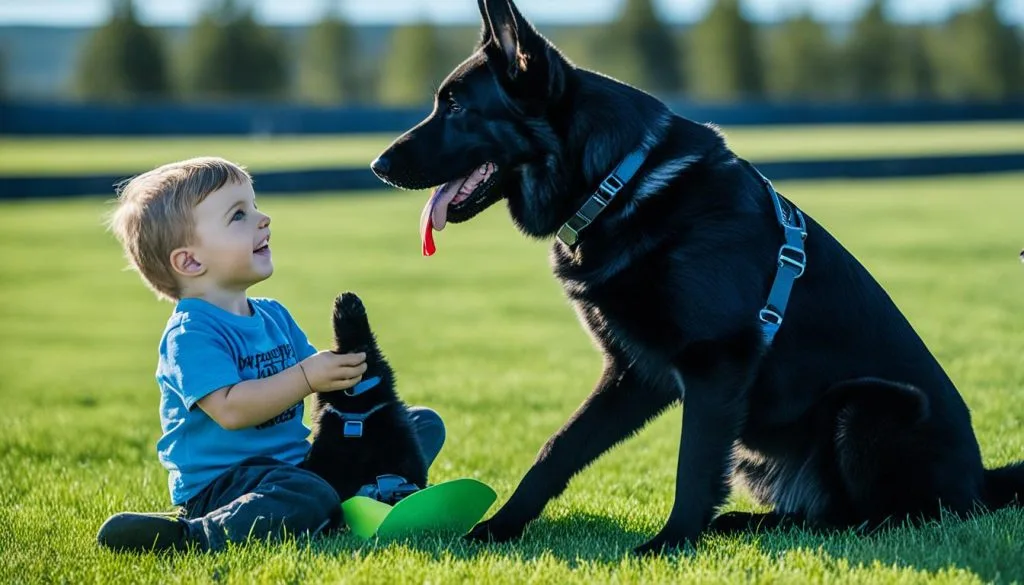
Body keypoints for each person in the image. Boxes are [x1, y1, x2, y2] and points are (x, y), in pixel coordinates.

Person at [97, 156, 445, 552]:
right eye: (238, 215)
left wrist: (352, 380)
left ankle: (373, 491)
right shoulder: (190, 334)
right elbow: (232, 410)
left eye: (255, 206)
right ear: (190, 260)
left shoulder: (274, 316)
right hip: (226, 484)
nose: (263, 219)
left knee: (418, 424)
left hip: (297, 467)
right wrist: (307, 376)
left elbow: (325, 390)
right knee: (306, 493)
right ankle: (195, 534)